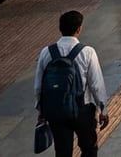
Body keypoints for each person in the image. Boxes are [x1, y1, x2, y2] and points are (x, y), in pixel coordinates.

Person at [35, 10, 110, 157]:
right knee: (89, 149)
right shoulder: (87, 52)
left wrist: (41, 112)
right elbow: (96, 84)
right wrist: (103, 110)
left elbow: (38, 86)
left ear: (60, 29)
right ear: (79, 29)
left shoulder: (46, 52)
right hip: (82, 110)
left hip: (56, 111)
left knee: (62, 152)